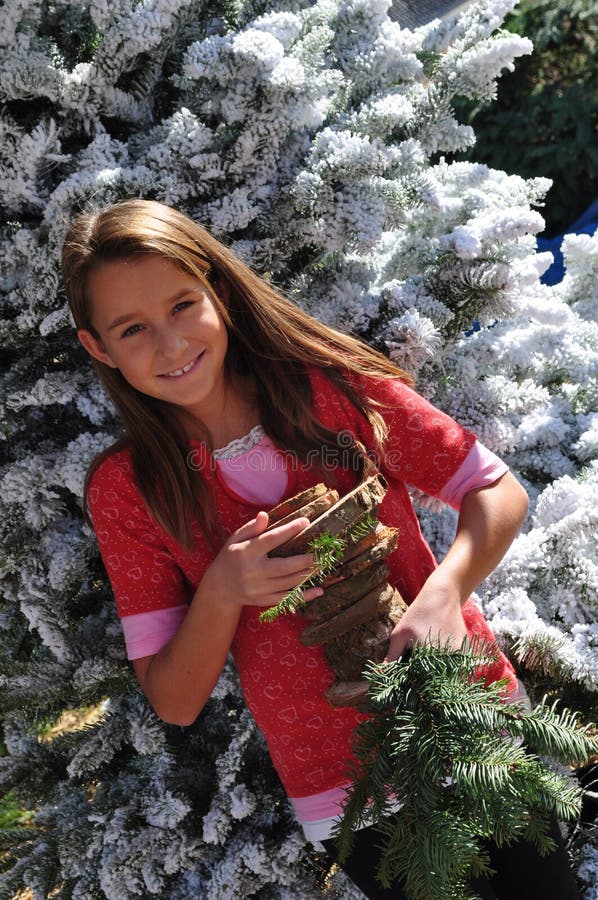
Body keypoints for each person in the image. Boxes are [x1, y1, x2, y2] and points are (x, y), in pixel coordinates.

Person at [62, 199, 580, 899]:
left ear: (217, 288)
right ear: (99, 348)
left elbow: (497, 491)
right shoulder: (131, 491)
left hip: (473, 714)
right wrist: (221, 590)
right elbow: (175, 700)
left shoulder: (333, 390)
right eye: (132, 328)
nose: (170, 343)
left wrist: (446, 592)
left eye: (183, 304)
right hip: (352, 791)